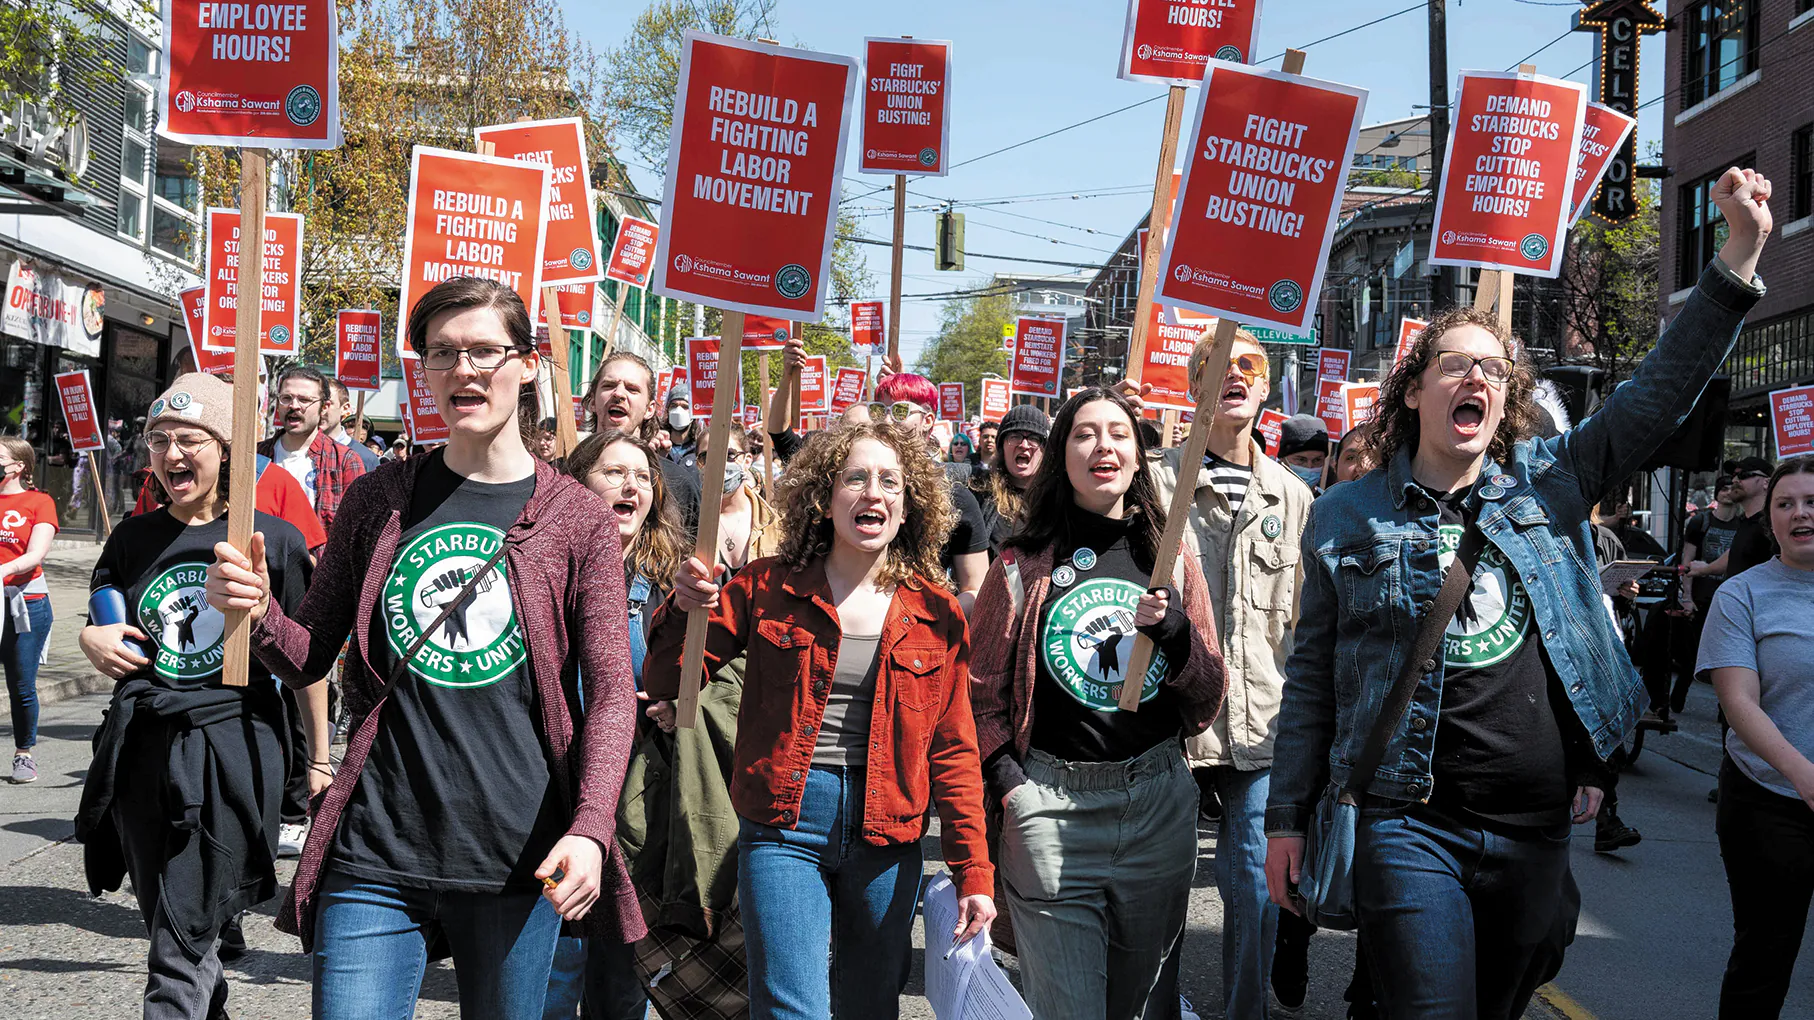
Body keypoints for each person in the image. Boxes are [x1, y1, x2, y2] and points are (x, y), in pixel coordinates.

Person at [1265, 167, 1773, 1020]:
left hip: (1536, 823)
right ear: (1417, 387)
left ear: (1503, 404)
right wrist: (1287, 818)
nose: (1478, 379)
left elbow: (1655, 396)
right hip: (1405, 813)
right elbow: (1313, 677)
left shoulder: (1553, 482)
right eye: (1456, 364)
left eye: (1495, 371)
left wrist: (1738, 258)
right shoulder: (1345, 515)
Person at [205, 276, 646, 1019]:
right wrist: (255, 611)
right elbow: (310, 651)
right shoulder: (380, 498)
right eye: (441, 353)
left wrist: (592, 828)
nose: (463, 370)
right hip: (377, 844)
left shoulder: (579, 519)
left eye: (483, 350)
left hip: (516, 853)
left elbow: (608, 691)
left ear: (529, 363)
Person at [645, 420, 995, 1019]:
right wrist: (682, 610)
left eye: (890, 480)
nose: (873, 492)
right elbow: (667, 682)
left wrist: (974, 871)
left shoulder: (938, 613)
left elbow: (955, 750)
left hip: (889, 832)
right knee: (789, 1009)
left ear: (910, 505)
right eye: (854, 477)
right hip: (785, 824)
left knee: (869, 1004)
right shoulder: (764, 586)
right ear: (823, 497)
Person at [969, 388, 1226, 1020]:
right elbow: (980, 697)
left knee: (1143, 1009)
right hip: (1051, 810)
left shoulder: (1171, 559)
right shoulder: (1019, 564)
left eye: (1118, 433)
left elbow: (1209, 693)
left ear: (1140, 458)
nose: (1102, 446)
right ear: (1063, 455)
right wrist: (1011, 788)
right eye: (1084, 433)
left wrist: (1176, 637)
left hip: (1157, 808)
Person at [74, 373, 318, 1020]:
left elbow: (308, 660)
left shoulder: (275, 541)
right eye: (159, 440)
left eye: (190, 439)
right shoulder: (131, 539)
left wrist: (318, 762)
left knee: (179, 947)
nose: (172, 453)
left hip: (232, 748)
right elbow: (103, 616)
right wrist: (93, 642)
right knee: (172, 927)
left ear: (228, 447)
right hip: (144, 751)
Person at [1124, 332, 1316, 1020]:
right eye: (1214, 369)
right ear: (1191, 384)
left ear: (1265, 388)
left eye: (1248, 369)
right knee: (1165, 887)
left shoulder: (1294, 497)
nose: (1232, 378)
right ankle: (1159, 1011)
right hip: (1169, 719)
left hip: (1261, 722)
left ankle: (1245, 1012)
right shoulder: (1152, 481)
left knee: (1256, 882)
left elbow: (1304, 624)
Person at [1698, 456, 1814, 1020]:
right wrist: (1803, 773)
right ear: (1769, 521)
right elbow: (1739, 703)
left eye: (1811, 502)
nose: (1800, 514)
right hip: (1768, 802)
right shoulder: (1741, 595)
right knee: (1765, 960)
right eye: (1785, 504)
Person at [1, 437, 58, 784]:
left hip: (25, 604)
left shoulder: (39, 502)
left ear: (19, 466)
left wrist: (4, 571)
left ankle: (24, 754)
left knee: (21, 683)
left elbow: (36, 553)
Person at [257, 364, 368, 534]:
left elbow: (356, 530)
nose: (294, 406)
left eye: (304, 400)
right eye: (286, 398)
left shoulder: (345, 461)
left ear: (324, 407)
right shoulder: (257, 456)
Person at [976, 405, 1049, 556]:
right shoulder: (979, 490)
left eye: (1034, 438)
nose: (1024, 445)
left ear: (1045, 450)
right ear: (1002, 446)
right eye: (1014, 436)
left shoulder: (1059, 499)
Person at [1689, 456, 1776, 582]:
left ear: (1766, 483)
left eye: (1743, 475)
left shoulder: (1772, 524)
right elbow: (1735, 553)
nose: (1735, 480)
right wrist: (1706, 569)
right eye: (1734, 475)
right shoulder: (1745, 521)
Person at [323, 380, 382, 472]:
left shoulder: (366, 458)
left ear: (345, 408)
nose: (320, 409)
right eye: (313, 402)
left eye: (327, 404)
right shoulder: (298, 450)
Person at [1277, 414, 1330, 493]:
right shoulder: (1266, 499)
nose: (1309, 467)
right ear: (1283, 460)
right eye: (1301, 459)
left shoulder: (1328, 502)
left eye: (1317, 460)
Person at [664, 386, 700, 471]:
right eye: (674, 405)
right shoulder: (659, 446)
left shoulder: (699, 449)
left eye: (685, 406)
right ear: (668, 410)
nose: (678, 410)